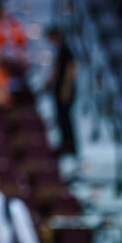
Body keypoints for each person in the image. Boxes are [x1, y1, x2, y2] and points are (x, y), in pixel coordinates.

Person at [46, 27, 77, 156]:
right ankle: (65, 143)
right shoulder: (60, 51)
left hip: (65, 90)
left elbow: (71, 72)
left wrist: (66, 90)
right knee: (61, 117)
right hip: (60, 89)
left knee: (65, 118)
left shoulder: (66, 51)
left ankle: (69, 145)